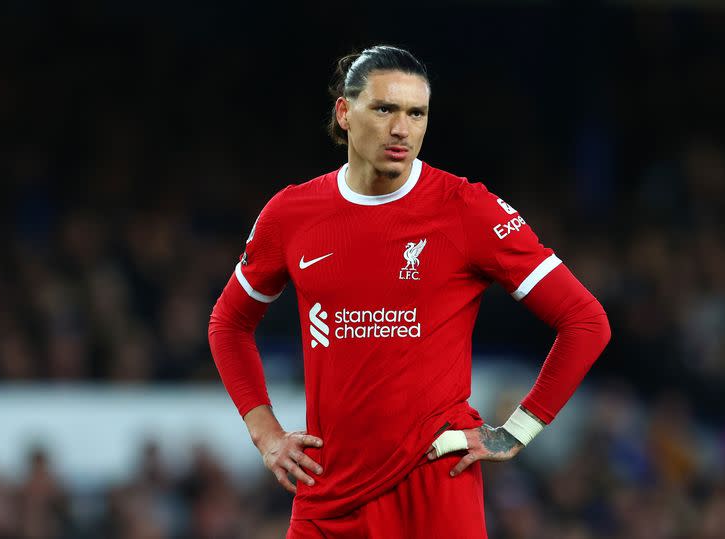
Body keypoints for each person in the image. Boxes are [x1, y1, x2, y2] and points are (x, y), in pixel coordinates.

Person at [208, 45, 611, 538]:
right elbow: (228, 323)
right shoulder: (291, 214)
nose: (402, 128)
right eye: (385, 109)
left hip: (435, 485)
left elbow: (586, 321)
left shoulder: (467, 209)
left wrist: (517, 430)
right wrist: (265, 433)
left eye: (416, 113)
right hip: (328, 491)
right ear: (344, 113)